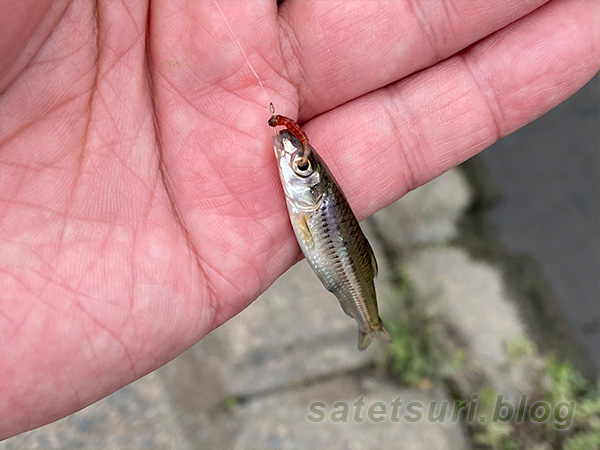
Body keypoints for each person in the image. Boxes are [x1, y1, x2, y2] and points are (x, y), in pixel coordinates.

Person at [1, 0, 598, 440]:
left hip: (334, 255)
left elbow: (320, 219)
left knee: (349, 273)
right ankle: (370, 320)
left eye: (303, 163)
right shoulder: (299, 182)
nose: (294, 159)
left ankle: (370, 320)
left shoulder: (309, 194)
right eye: (301, 161)